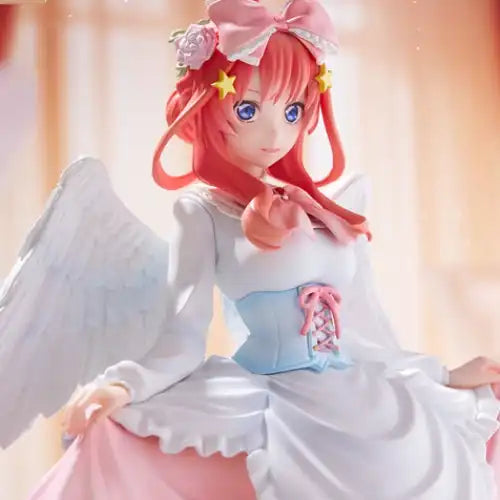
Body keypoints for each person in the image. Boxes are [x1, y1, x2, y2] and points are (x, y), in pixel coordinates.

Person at [0, 1, 499, 498]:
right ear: (208, 105)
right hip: (278, 396)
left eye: (292, 110)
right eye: (248, 109)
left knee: (430, 456)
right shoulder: (203, 212)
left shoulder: (318, 209)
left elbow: (362, 330)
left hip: (357, 392)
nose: (275, 133)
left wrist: (442, 374)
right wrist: (124, 385)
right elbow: (183, 333)